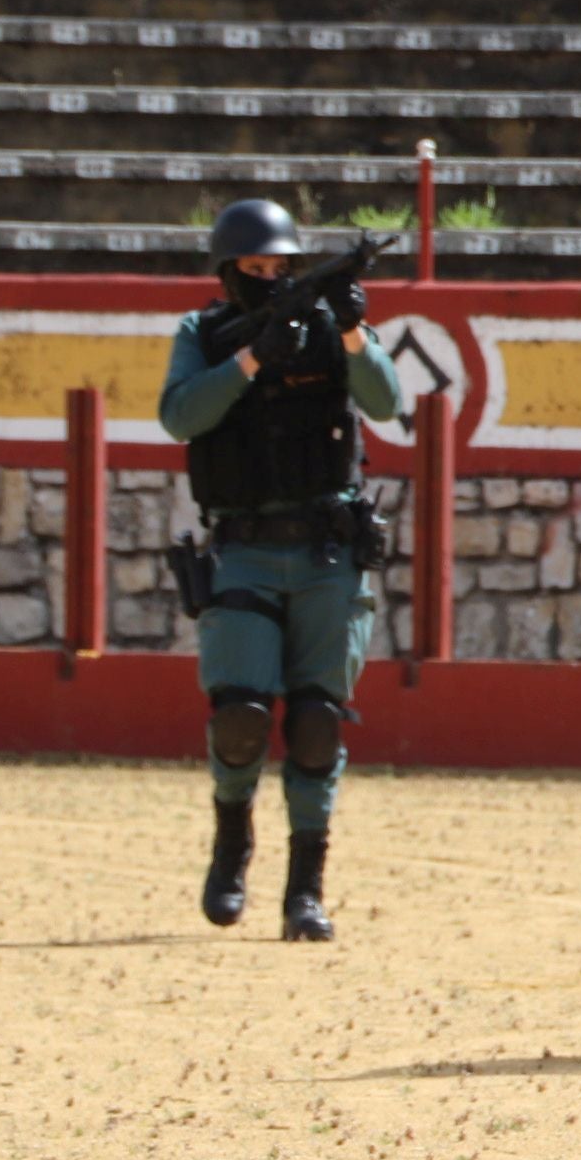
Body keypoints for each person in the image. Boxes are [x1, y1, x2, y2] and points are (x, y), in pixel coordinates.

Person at [158, 199, 400, 943]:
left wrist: (353, 328)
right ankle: (232, 844)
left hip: (327, 551)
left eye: (280, 268)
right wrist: (254, 355)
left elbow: (386, 402)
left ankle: (305, 890)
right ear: (229, 274)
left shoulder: (332, 330)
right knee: (240, 720)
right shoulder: (203, 334)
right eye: (256, 269)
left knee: (319, 723)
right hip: (246, 549)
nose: (270, 279)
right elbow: (181, 416)